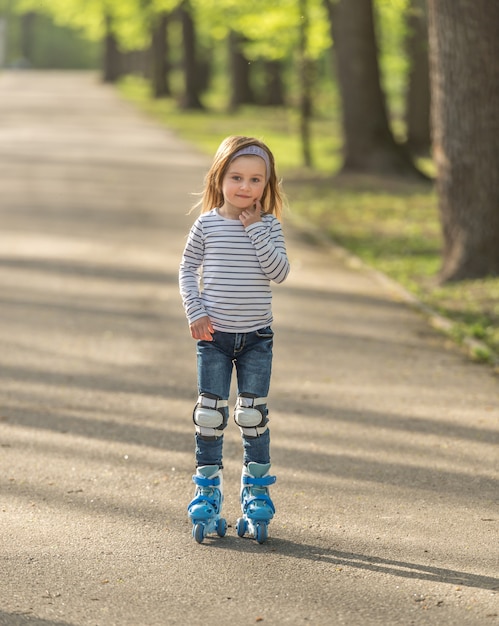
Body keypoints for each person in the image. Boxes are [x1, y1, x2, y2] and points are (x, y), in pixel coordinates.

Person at [179, 136, 290, 543]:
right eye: (236, 177)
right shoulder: (206, 224)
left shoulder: (270, 226)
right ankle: (207, 493)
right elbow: (187, 269)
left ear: (267, 185)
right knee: (209, 416)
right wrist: (196, 310)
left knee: (253, 417)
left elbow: (279, 272)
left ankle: (255, 493)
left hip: (257, 337)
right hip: (213, 335)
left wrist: (257, 230)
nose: (245, 187)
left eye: (256, 180)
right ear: (219, 178)